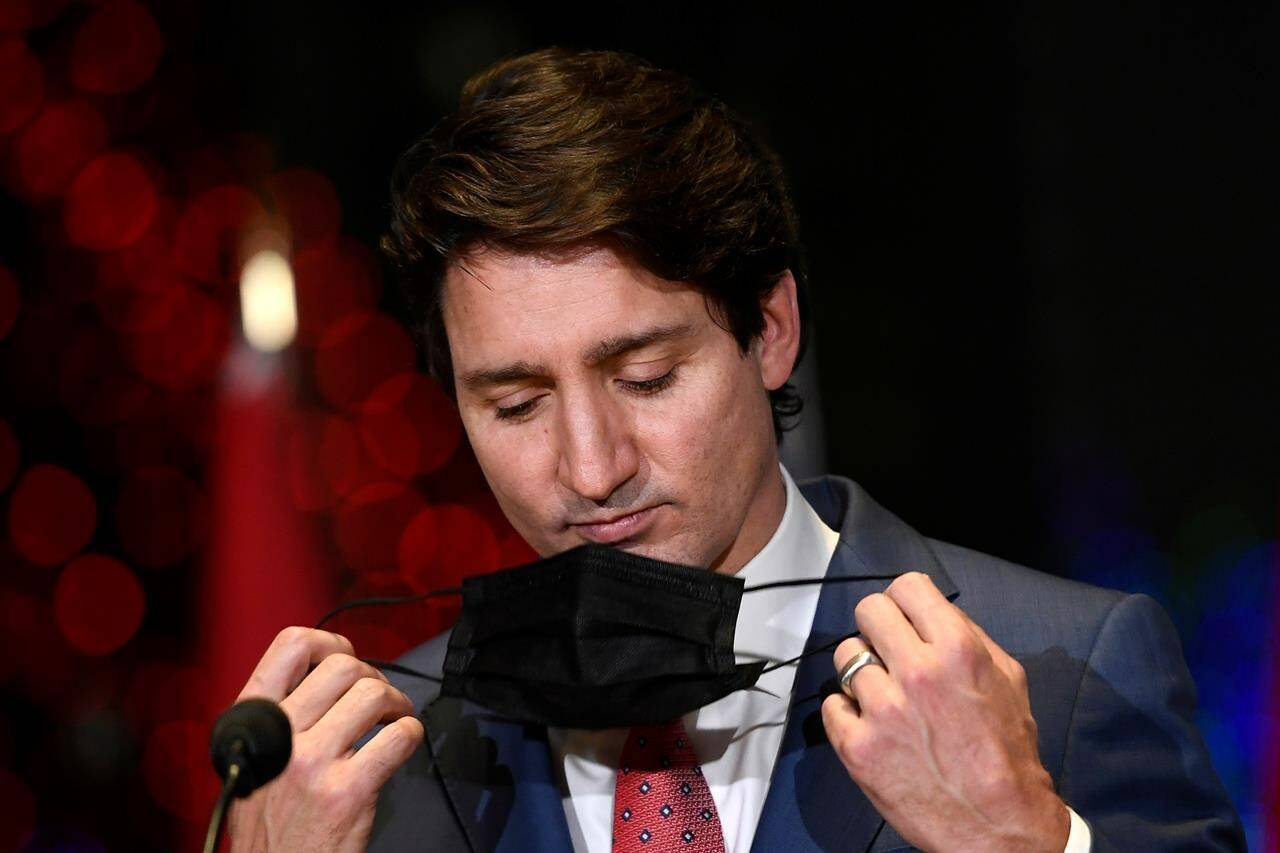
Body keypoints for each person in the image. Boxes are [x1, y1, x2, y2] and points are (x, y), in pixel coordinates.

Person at [226, 48, 1245, 852]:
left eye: (645, 378)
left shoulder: (1063, 667)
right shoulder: (366, 762)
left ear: (769, 329)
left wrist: (1024, 847)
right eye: (518, 402)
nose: (590, 469)